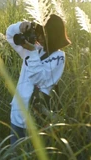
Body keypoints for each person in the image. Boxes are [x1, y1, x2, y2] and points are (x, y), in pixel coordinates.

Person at [5, 14, 71, 145]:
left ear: (52, 35)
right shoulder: (34, 49)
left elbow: (39, 79)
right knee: (15, 153)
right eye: (38, 33)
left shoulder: (59, 57)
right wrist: (20, 26)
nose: (38, 38)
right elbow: (10, 36)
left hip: (35, 120)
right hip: (17, 114)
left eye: (42, 34)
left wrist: (33, 52)